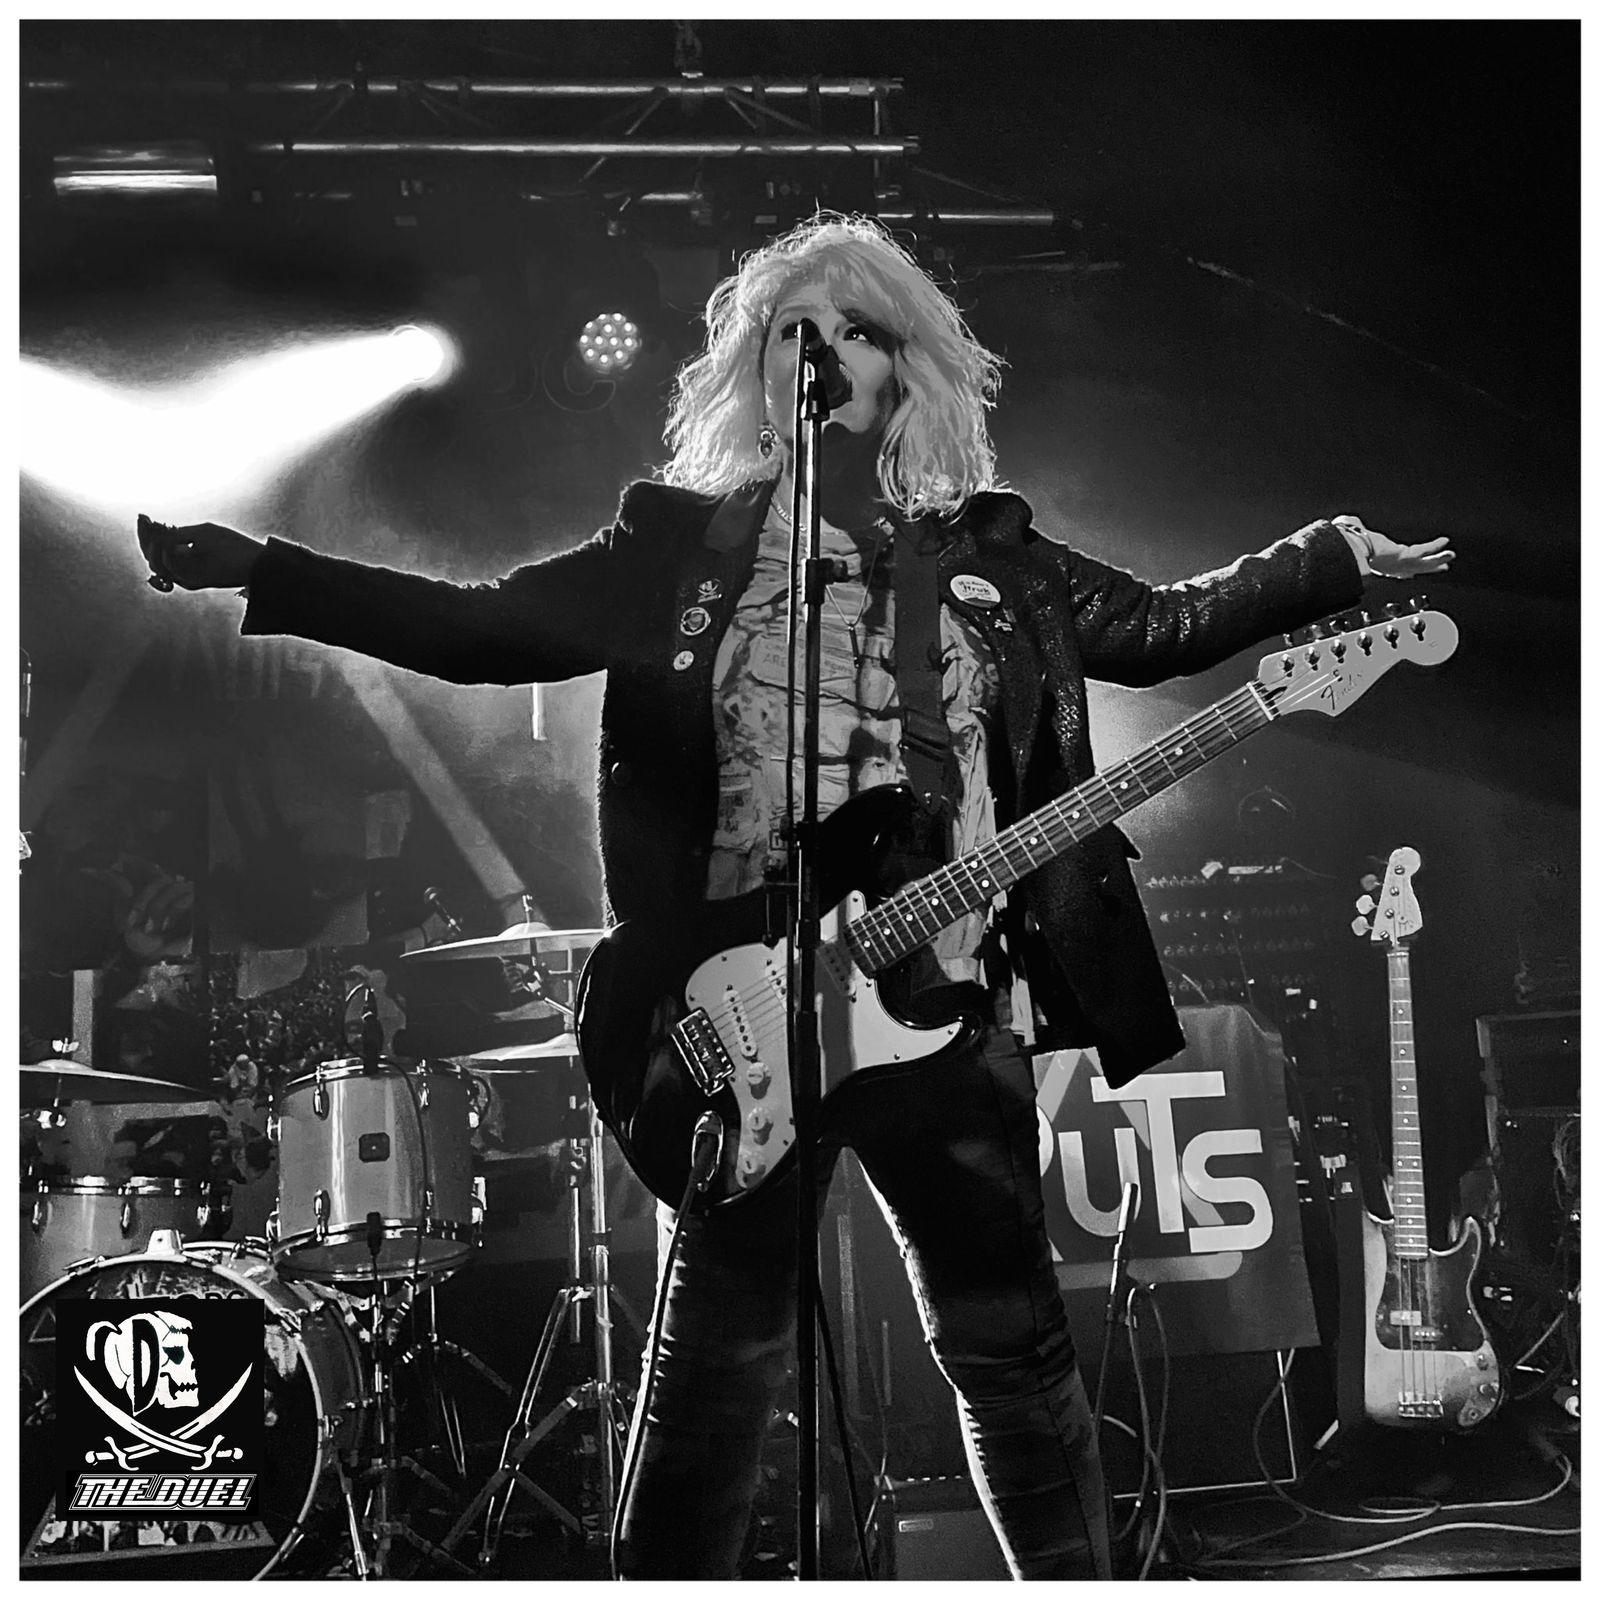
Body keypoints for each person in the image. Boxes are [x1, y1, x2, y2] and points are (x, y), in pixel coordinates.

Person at [137, 212, 1454, 1580]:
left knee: (1010, 1357)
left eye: (856, 330)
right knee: (718, 1374)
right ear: (756, 368)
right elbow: (479, 628)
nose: (820, 353)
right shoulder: (675, 554)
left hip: (945, 1006)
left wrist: (1324, 562)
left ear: (907, 369)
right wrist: (268, 571)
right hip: (743, 1011)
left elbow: (1164, 628)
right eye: (791, 330)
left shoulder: (995, 561)